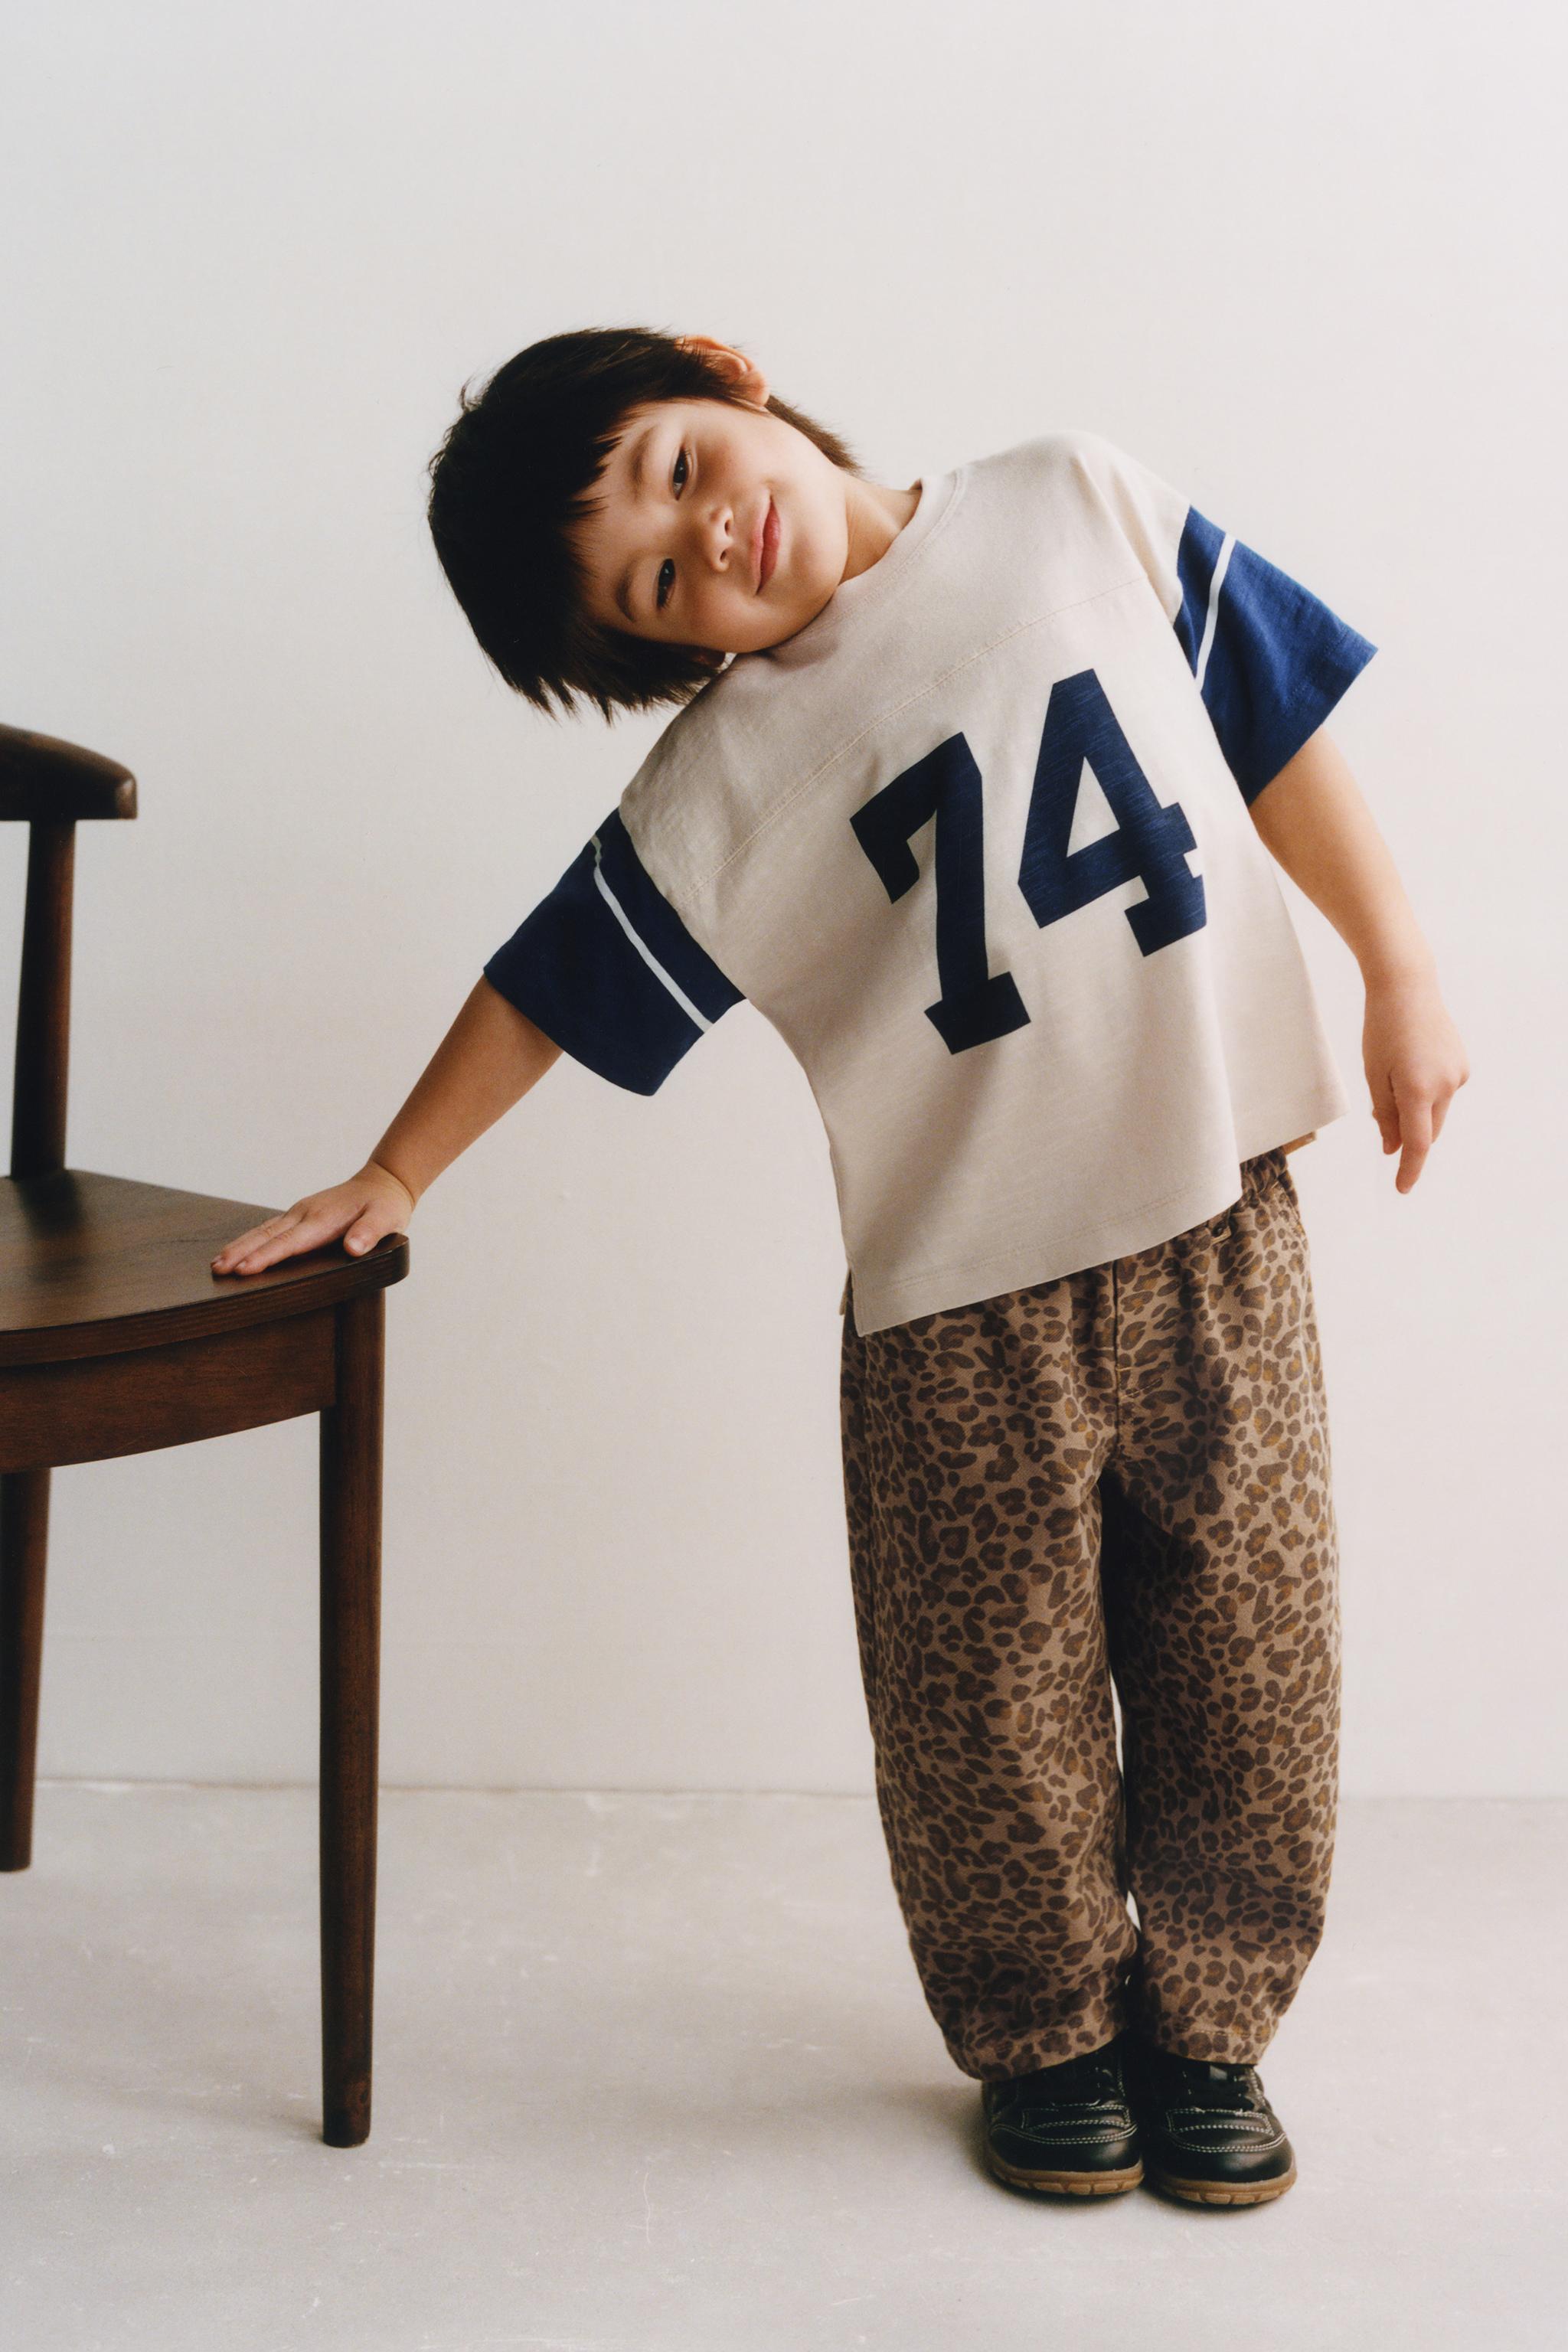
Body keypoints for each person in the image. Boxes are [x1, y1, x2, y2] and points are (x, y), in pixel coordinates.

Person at [212, 328, 1468, 2207]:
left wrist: (1401, 967)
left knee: (1252, 1658)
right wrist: (399, 1169)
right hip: (957, 1309)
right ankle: (1047, 2040)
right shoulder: (733, 767)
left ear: (724, 377)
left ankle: (1210, 2035)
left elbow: (1273, 720)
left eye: (677, 471)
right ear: (664, 654)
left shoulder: (1071, 499)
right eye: (657, 582)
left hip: (1217, 1227)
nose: (709, 540)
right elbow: (551, 978)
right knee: (986, 1711)